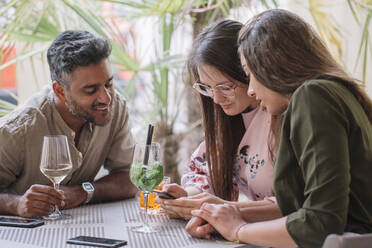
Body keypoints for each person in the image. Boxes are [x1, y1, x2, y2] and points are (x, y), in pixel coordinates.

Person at [186, 9, 372, 248]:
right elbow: (302, 211)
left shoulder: (313, 96)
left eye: (250, 74)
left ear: (273, 66)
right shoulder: (332, 93)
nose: (251, 89)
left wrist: (238, 229)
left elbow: (320, 222)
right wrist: (222, 215)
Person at [0, 30, 137, 218]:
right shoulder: (19, 129)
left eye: (109, 84)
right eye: (90, 90)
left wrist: (84, 192)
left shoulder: (116, 108)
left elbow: (130, 178)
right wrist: (15, 204)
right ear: (60, 91)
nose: (106, 98)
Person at [157, 20, 281, 222]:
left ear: (248, 71)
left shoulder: (278, 114)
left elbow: (294, 208)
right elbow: (208, 172)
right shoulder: (228, 119)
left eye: (225, 87)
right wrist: (185, 197)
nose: (215, 99)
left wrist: (226, 211)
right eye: (206, 88)